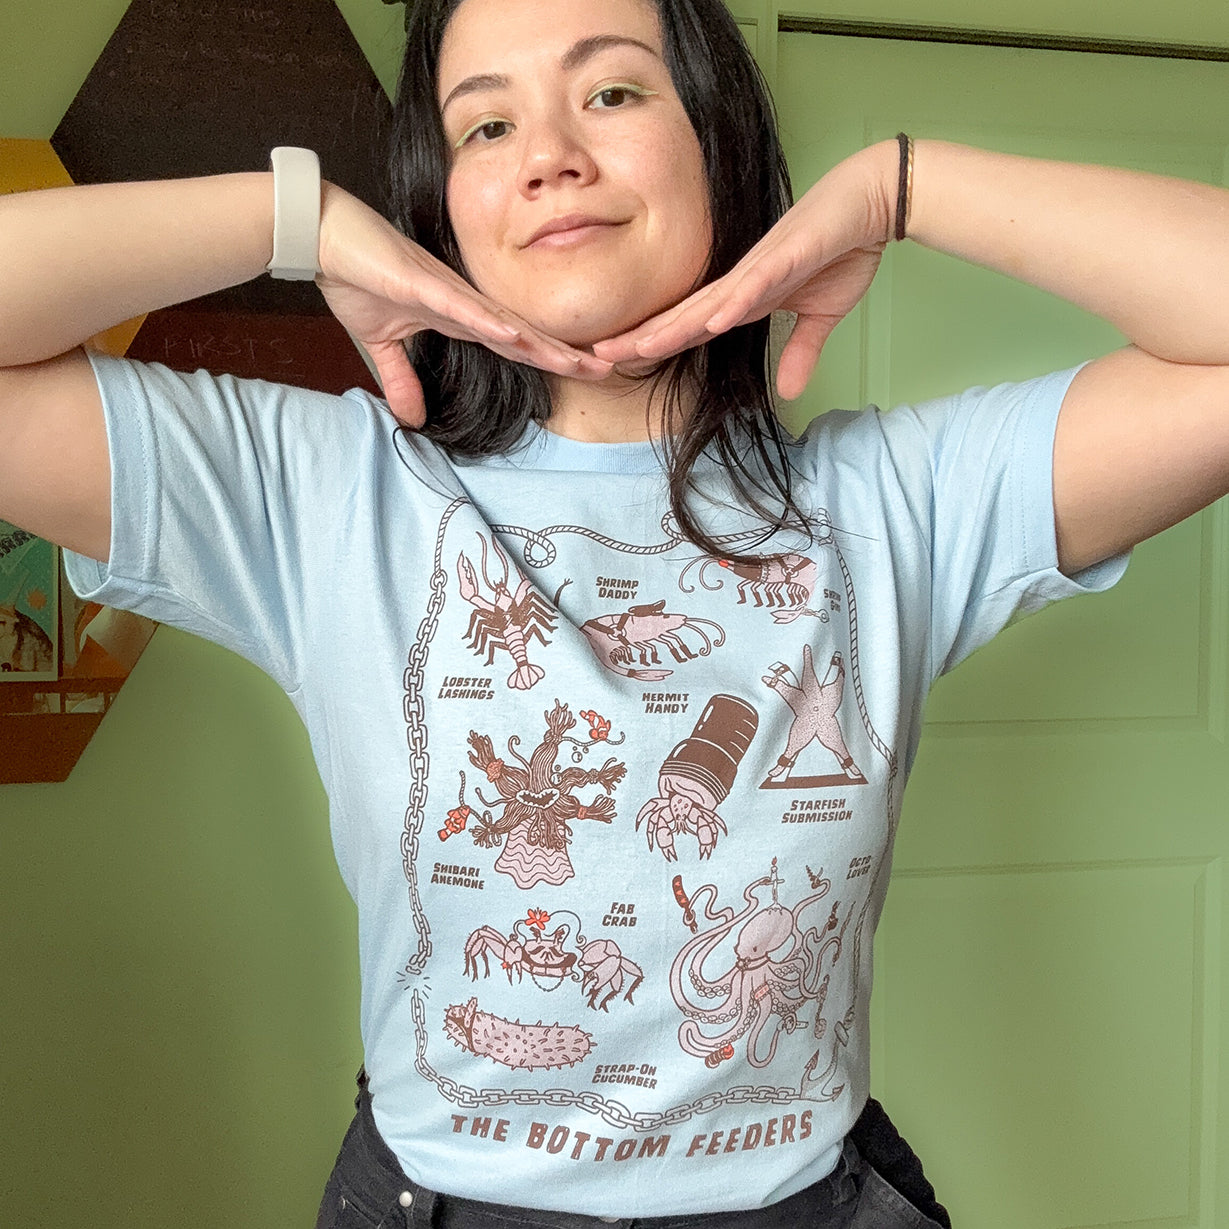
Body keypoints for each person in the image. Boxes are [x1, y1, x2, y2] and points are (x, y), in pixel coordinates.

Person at [2, 0, 1228, 1224]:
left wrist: (896, 189)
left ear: (715, 146)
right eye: (485, 125)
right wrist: (297, 216)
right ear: (443, 202)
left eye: (611, 92)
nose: (548, 154)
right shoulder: (324, 492)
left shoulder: (890, 506)